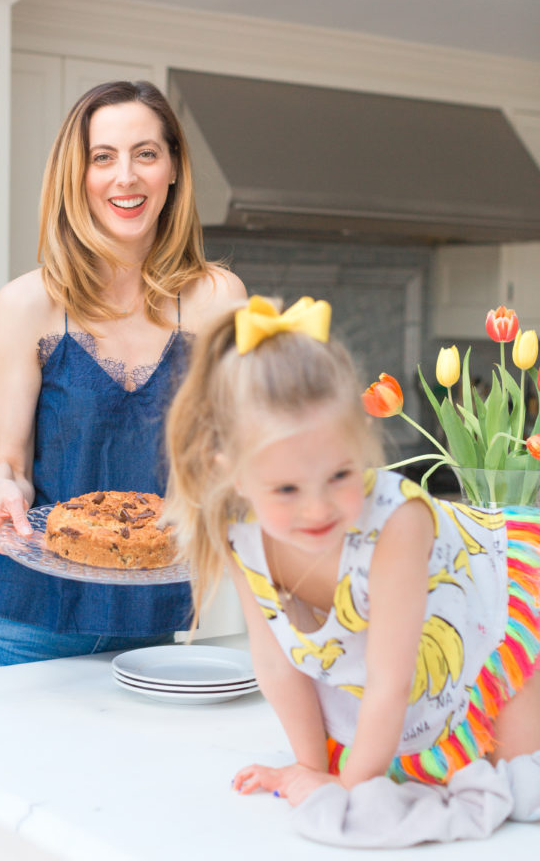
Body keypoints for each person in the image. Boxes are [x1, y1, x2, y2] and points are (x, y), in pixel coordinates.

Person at [164, 294, 540, 805]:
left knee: (520, 781)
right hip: (405, 684)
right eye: (287, 489)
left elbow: (392, 679)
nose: (317, 509)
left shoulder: (396, 526)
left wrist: (345, 787)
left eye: (340, 475)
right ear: (231, 473)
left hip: (503, 605)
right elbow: (277, 665)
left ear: (362, 440)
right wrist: (309, 768)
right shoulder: (238, 533)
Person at [0, 80, 246, 670]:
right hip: (25, 622)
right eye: (102, 157)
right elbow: (11, 465)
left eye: (146, 153)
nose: (126, 177)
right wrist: (5, 489)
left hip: (151, 620)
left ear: (173, 170)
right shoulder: (26, 305)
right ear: (77, 175)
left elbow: (227, 451)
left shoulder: (219, 299)